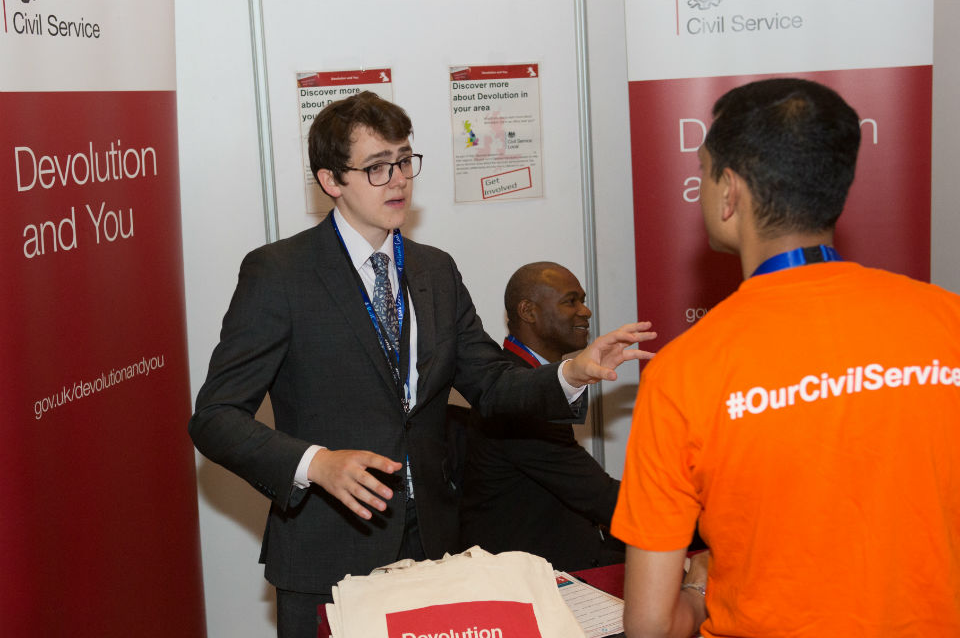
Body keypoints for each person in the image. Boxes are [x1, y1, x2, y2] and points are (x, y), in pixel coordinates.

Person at [188, 91, 656, 638]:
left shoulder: (435, 270)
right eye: (377, 167)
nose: (398, 180)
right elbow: (215, 416)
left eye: (405, 161)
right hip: (326, 551)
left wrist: (569, 373)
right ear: (331, 180)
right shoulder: (280, 273)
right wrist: (315, 464)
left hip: (434, 546)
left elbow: (491, 384)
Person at [611, 77, 960, 637]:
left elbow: (649, 626)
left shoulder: (683, 373)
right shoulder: (950, 323)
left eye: (702, 170)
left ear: (730, 191)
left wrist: (698, 587)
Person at [459, 262, 625, 572]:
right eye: (570, 301)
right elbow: (599, 496)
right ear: (528, 311)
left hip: (561, 554)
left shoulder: (529, 380)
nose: (586, 312)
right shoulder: (513, 396)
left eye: (583, 300)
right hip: (534, 579)